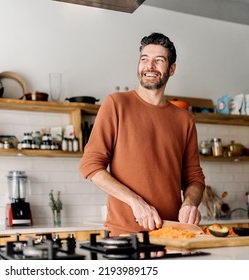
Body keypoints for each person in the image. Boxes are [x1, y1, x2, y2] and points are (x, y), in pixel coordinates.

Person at [79, 32, 205, 236]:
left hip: (172, 232)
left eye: (159, 60)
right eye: (144, 59)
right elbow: (90, 165)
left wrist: (190, 203)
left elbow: (194, 177)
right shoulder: (116, 104)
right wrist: (136, 202)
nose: (150, 66)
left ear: (171, 69)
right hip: (125, 233)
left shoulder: (184, 119)